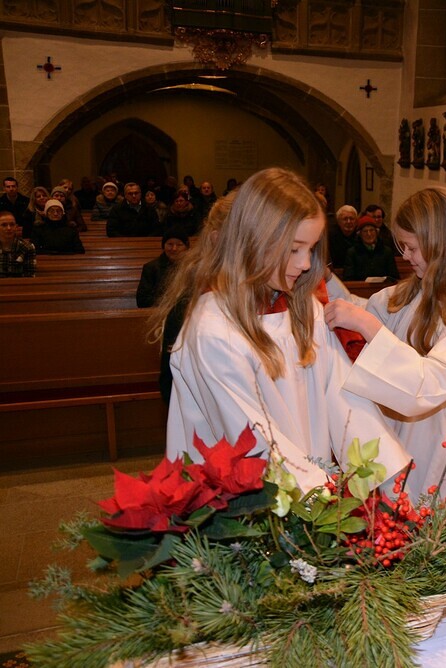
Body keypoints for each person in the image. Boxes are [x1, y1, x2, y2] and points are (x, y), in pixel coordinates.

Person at [154, 167, 409, 487]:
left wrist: (384, 478)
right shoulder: (213, 331)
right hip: (252, 496)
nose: (306, 263)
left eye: (310, 248)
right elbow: (254, 443)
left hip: (310, 485)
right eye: (293, 249)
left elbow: (345, 400)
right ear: (253, 240)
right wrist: (317, 496)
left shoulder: (306, 310)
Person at [324, 186, 446, 513]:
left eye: (412, 248)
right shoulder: (413, 292)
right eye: (402, 246)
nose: (405, 256)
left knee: (425, 533)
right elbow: (369, 308)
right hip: (400, 443)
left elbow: (429, 386)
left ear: (443, 246)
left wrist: (369, 326)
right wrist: (325, 281)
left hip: (437, 456)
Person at [136, 227, 189, 308]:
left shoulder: (192, 267)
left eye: (179, 245)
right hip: (159, 310)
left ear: (186, 247)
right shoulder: (151, 268)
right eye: (170, 244)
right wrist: (167, 302)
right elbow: (142, 300)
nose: (174, 248)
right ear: (163, 246)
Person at [343, 216, 400, 281]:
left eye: (371, 230)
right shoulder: (352, 253)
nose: (369, 234)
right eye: (365, 231)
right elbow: (348, 278)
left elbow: (394, 277)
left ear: (377, 232)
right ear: (360, 234)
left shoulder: (387, 251)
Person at [0, 211, 35, 277]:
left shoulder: (27, 247)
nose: (9, 228)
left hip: (20, 283)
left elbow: (29, 275)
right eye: (4, 225)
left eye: (12, 225)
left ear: (16, 227)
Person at [327, 204, 359, 269]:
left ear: (356, 221)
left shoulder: (360, 236)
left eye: (351, 219)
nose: (349, 222)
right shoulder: (329, 237)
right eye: (345, 219)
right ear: (338, 222)